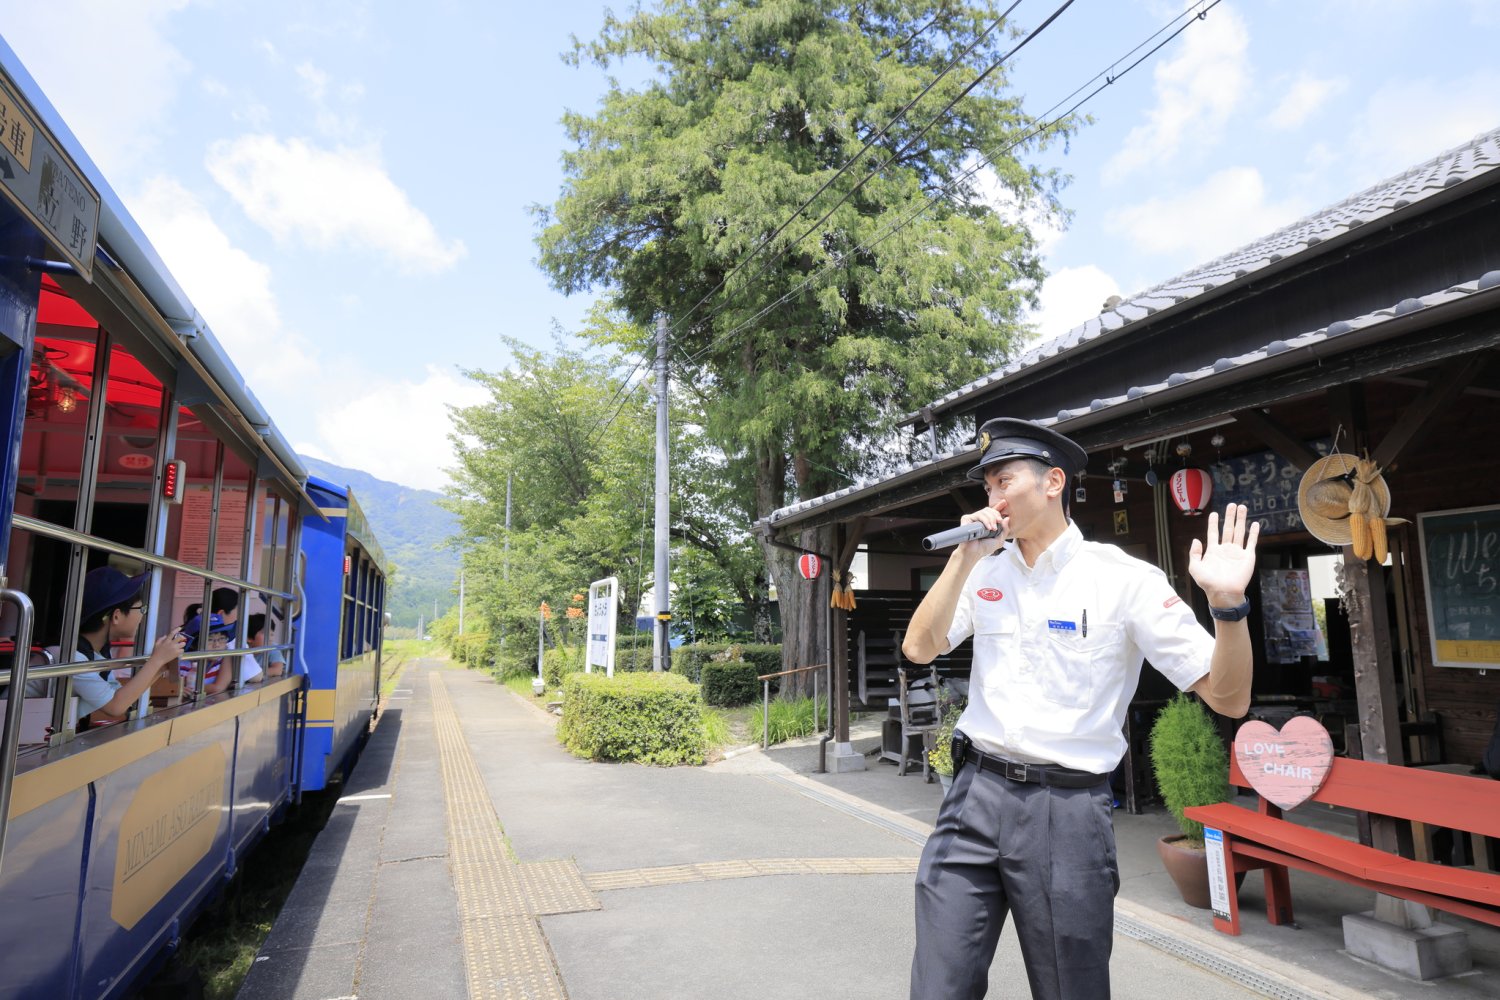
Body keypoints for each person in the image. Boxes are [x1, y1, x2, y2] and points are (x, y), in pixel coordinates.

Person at [903, 418, 1258, 1000]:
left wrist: (1228, 607)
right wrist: (963, 558)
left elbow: (1229, 696)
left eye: (1002, 481)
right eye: (986, 487)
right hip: (973, 795)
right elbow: (919, 648)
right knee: (939, 984)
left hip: (1064, 810)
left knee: (1071, 988)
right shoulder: (984, 570)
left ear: (1053, 483)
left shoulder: (1122, 580)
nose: (991, 500)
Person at [45, 566, 187, 723]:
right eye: (141, 608)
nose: (142, 614)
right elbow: (115, 706)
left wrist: (162, 665)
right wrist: (157, 660)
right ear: (117, 616)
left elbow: (120, 694)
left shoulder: (96, 653)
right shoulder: (71, 656)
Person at [245, 613, 286, 679]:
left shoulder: (272, 648)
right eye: (265, 633)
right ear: (249, 638)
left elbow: (278, 670)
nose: (270, 638)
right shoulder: (242, 649)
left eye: (272, 634)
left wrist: (254, 675)